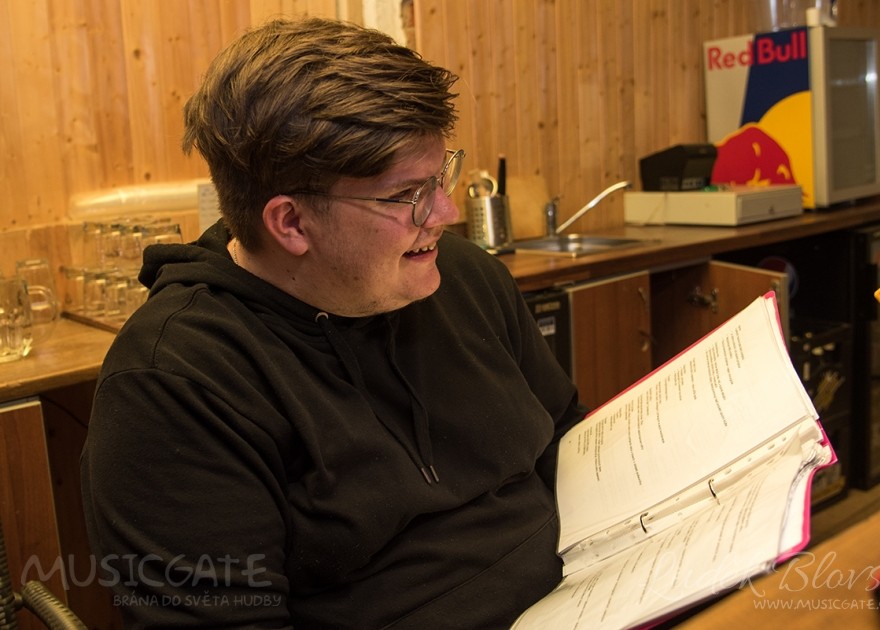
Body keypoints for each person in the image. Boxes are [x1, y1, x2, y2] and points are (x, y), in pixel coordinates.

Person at [80, 15, 587, 629]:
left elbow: (565, 438)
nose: (445, 213)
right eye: (408, 195)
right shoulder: (175, 383)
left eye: (440, 177)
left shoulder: (463, 275)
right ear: (291, 223)